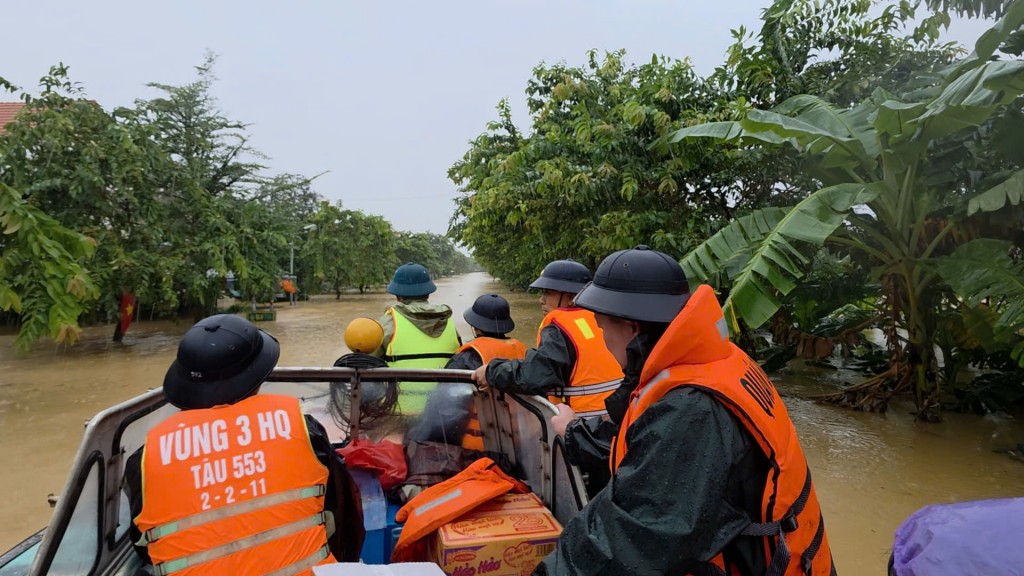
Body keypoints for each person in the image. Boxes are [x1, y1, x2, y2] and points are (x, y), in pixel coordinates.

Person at [535, 246, 835, 575]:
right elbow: (641, 437)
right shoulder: (713, 359)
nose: (603, 340)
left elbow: (626, 543)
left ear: (632, 328)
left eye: (604, 328)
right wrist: (576, 432)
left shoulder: (691, 409)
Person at [125, 314, 364, 575]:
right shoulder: (301, 428)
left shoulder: (147, 458)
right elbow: (344, 513)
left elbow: (145, 546)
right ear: (257, 376)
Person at [471, 260, 623, 419]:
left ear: (571, 297)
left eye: (548, 293)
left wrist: (491, 372)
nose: (541, 300)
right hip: (618, 421)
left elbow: (535, 374)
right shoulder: (604, 318)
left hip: (581, 430)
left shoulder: (558, 329)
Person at [371, 262, 461, 414]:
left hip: (397, 412)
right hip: (443, 414)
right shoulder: (449, 323)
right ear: (427, 294)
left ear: (397, 296)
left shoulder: (387, 322)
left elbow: (366, 362)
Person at [445, 294, 527, 451]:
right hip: (520, 442)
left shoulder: (467, 357)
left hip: (478, 446)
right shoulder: (523, 351)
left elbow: (447, 407)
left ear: (476, 327)